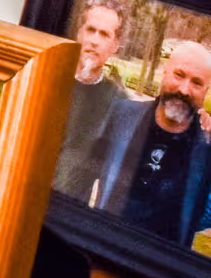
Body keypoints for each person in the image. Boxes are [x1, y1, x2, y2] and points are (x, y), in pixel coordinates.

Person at [87, 41, 211, 247]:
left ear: (206, 91)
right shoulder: (121, 115)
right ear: (164, 73)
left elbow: (205, 214)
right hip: (102, 248)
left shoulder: (206, 149)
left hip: (160, 269)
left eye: (196, 83)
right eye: (179, 75)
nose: (184, 89)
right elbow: (90, 169)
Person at [52, 0, 129, 200]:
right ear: (79, 33)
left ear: (115, 45)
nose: (94, 40)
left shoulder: (120, 103)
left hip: (70, 210)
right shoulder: (48, 79)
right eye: (90, 30)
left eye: (104, 34)